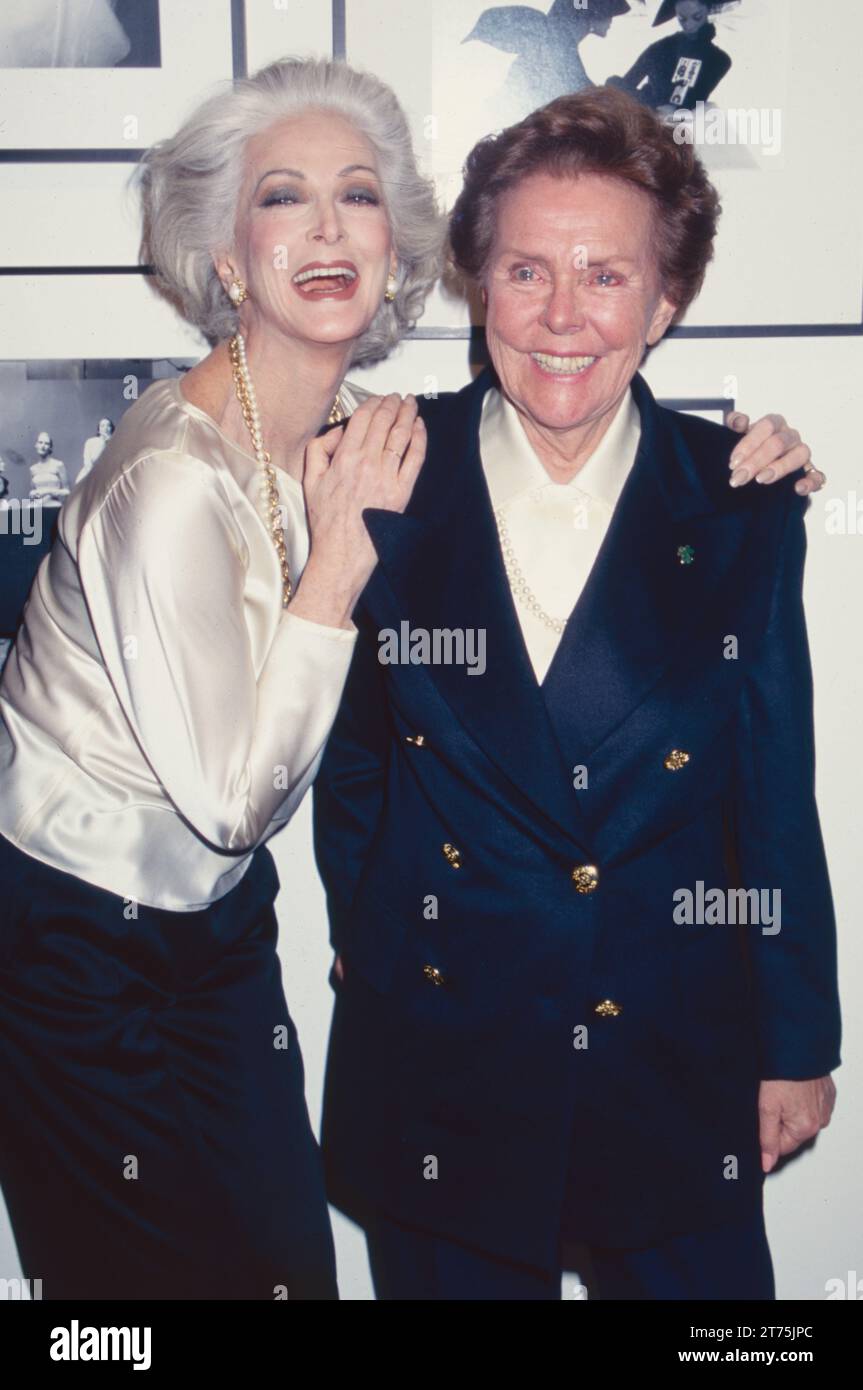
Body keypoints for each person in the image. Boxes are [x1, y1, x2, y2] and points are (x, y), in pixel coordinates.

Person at [313, 86, 839, 1301]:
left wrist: (796, 1038)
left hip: (675, 1051)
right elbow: (349, 761)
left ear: (665, 303)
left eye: (605, 277)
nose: (560, 317)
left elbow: (773, 787)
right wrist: (376, 937)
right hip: (444, 1053)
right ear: (475, 283)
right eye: (524, 270)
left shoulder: (742, 496)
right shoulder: (385, 470)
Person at [0, 57, 439, 1300]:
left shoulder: (349, 427)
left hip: (219, 924)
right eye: (282, 197)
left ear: (394, 251)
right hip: (70, 933)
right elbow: (233, 800)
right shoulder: (172, 480)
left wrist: (730, 462)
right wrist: (336, 566)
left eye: (356, 197)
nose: (324, 227)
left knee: (285, 1270)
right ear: (229, 260)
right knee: (125, 1302)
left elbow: (528, 457)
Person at [608, 0, 736, 116]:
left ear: (709, 11)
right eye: (682, 19)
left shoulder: (719, 60)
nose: (689, 25)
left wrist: (674, 111)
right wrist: (650, 106)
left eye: (697, 17)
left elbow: (696, 98)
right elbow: (625, 85)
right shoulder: (659, 48)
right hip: (647, 118)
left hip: (687, 126)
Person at [28, 431, 70, 504]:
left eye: (46, 443)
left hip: (54, 506)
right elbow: (33, 493)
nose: (43, 446)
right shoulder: (33, 469)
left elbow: (67, 492)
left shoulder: (58, 465)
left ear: (50, 448)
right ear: (36, 445)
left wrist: (48, 492)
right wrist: (32, 494)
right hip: (38, 507)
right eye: (40, 442)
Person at [76, 416, 115, 484]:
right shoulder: (91, 441)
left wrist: (109, 442)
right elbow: (87, 460)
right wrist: (92, 476)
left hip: (108, 474)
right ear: (99, 430)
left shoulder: (115, 442)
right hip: (90, 473)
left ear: (111, 428)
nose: (105, 428)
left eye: (108, 425)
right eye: (102, 426)